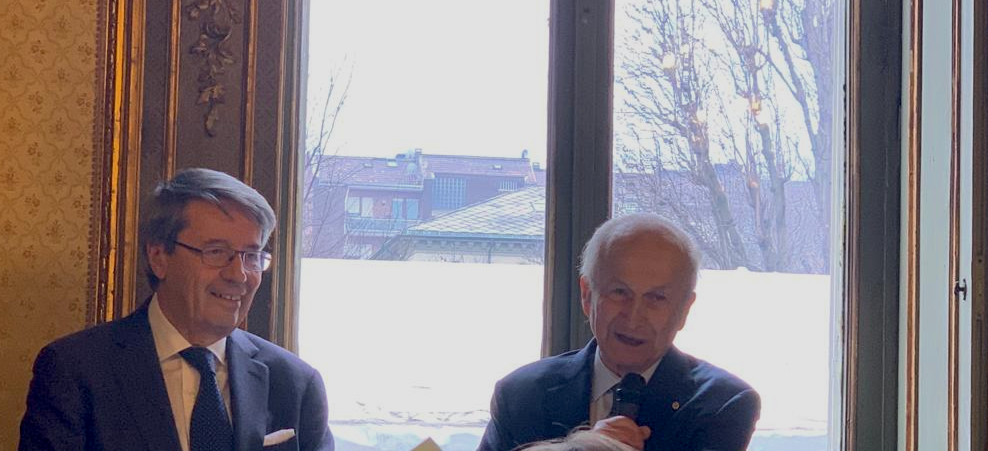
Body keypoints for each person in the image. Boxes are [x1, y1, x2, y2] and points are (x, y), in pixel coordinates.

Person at [19, 168, 334, 451]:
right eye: (216, 252)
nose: (239, 275)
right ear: (159, 257)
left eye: (251, 256)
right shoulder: (76, 371)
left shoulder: (294, 384)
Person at [478, 213, 759, 451]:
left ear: (685, 309)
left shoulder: (722, 404)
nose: (633, 317)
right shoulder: (522, 394)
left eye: (656, 298)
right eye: (619, 292)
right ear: (587, 295)